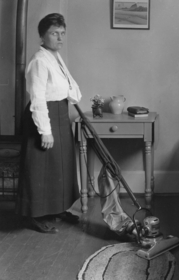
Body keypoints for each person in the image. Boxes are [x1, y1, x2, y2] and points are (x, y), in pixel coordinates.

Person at [16, 13, 82, 234]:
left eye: (63, 33)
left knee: (60, 165)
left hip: (60, 113)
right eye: (55, 33)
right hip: (43, 115)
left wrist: (72, 95)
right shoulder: (39, 60)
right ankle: (33, 215)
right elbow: (37, 98)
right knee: (39, 168)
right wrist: (45, 131)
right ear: (42, 36)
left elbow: (70, 88)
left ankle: (57, 208)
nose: (60, 38)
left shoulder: (55, 57)